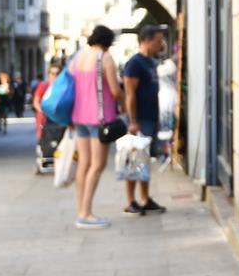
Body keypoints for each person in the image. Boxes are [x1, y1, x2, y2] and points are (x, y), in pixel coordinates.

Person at [70, 26, 123, 230]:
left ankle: (80, 210)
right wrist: (125, 102)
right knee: (98, 165)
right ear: (108, 41)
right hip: (99, 118)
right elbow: (115, 90)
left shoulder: (78, 57)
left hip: (79, 117)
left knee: (84, 164)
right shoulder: (104, 58)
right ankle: (86, 213)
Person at [121, 25, 168, 216]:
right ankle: (131, 200)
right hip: (139, 119)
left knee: (145, 160)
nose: (161, 44)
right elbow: (130, 93)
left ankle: (145, 198)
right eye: (158, 40)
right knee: (134, 159)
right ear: (147, 40)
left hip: (150, 118)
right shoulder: (135, 63)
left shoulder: (150, 62)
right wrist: (133, 120)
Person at [31, 64, 60, 140]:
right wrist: (43, 111)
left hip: (59, 120)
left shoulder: (63, 86)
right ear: (48, 75)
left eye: (58, 73)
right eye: (53, 74)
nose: (55, 76)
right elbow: (36, 102)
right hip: (44, 120)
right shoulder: (43, 86)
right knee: (45, 143)